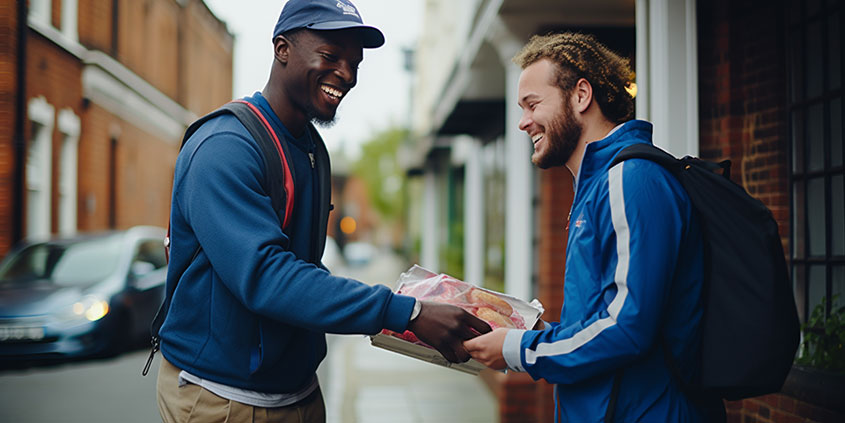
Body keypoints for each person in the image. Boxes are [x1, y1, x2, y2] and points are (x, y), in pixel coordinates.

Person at [155, 1, 490, 422]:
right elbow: (266, 277)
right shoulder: (225, 147)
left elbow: (303, 270)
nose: (346, 75)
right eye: (330, 56)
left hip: (298, 393)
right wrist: (407, 313)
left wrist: (411, 311)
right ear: (282, 49)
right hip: (222, 400)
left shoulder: (312, 148)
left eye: (354, 63)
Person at [463, 32, 725, 422]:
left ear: (581, 96)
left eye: (532, 105)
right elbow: (602, 321)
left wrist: (519, 349)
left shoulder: (631, 179)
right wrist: (522, 331)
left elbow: (627, 328)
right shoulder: (599, 186)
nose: (522, 123)